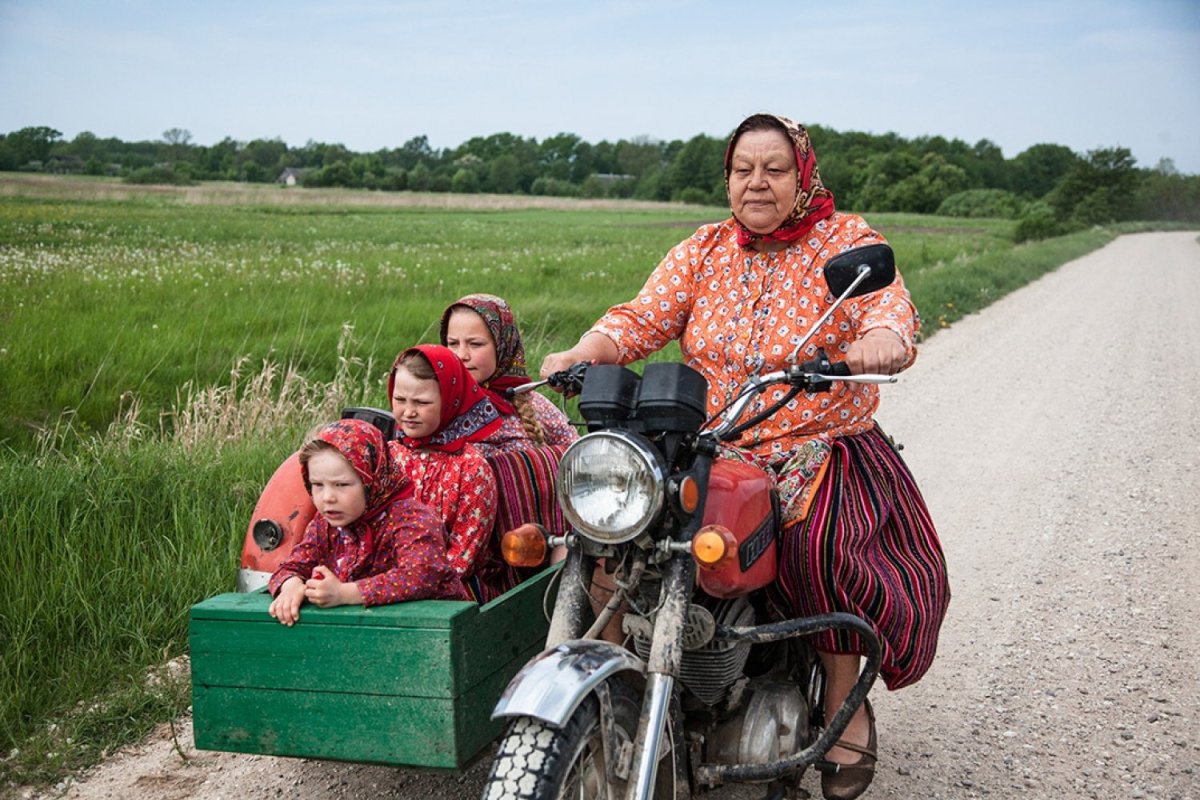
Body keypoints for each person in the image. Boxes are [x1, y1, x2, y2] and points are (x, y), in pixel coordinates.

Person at [540, 113, 950, 800]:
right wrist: (585, 351)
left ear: (802, 174)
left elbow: (888, 312)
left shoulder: (847, 240)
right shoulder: (705, 248)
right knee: (617, 526)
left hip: (813, 441)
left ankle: (843, 705)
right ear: (727, 178)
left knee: (818, 547)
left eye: (774, 168)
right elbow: (641, 319)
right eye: (743, 168)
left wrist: (880, 340)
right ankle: (620, 674)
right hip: (713, 439)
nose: (757, 181)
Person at [267, 419, 469, 626]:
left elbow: (420, 575)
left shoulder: (413, 520)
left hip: (435, 630)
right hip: (372, 630)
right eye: (317, 484)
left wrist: (345, 593)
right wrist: (291, 585)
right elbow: (294, 563)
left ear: (372, 479)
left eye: (341, 484)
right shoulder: (324, 525)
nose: (327, 497)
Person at [388, 344, 508, 602]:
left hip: (447, 592)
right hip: (383, 583)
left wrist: (406, 587)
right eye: (400, 400)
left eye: (422, 402)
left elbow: (464, 555)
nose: (408, 412)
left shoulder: (471, 469)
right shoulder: (388, 458)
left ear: (450, 400)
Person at [439, 292, 577, 456]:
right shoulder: (435, 403)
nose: (462, 355)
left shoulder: (533, 405)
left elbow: (579, 457)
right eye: (453, 343)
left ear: (503, 345)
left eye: (475, 344)